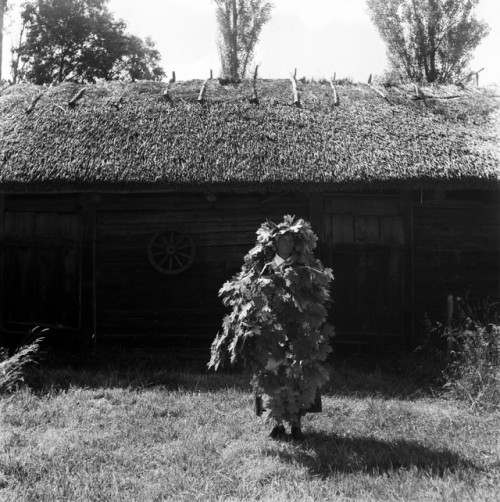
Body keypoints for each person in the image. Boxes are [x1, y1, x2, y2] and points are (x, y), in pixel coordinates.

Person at [208, 215, 334, 440]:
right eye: (282, 240)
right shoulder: (261, 267)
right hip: (269, 328)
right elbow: (249, 295)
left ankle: (296, 424)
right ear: (274, 243)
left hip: (297, 330)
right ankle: (278, 424)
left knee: (297, 374)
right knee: (271, 374)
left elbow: (316, 296)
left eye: (290, 240)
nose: (287, 243)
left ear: (296, 243)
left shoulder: (304, 266)